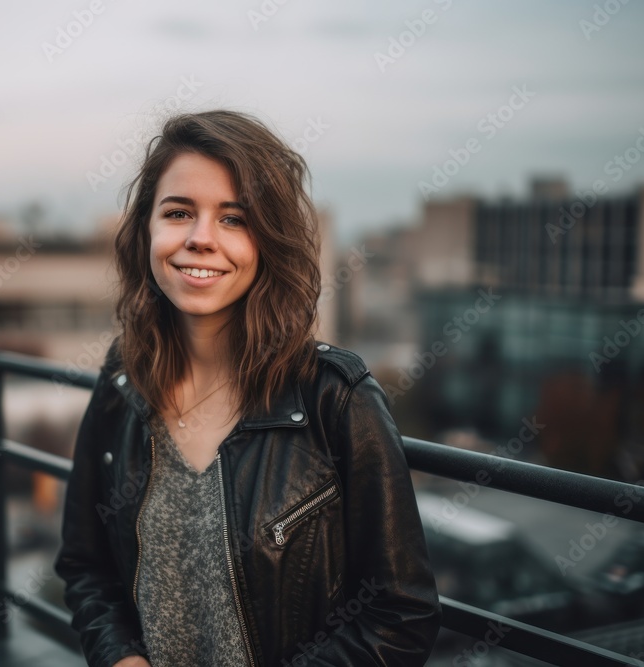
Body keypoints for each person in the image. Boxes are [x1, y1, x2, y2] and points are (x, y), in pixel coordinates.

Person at [54, 109, 441, 667]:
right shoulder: (123, 379)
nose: (200, 239)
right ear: (146, 230)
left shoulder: (335, 399)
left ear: (270, 241)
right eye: (178, 212)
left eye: (233, 219)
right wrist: (121, 658)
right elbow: (85, 565)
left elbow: (401, 616)